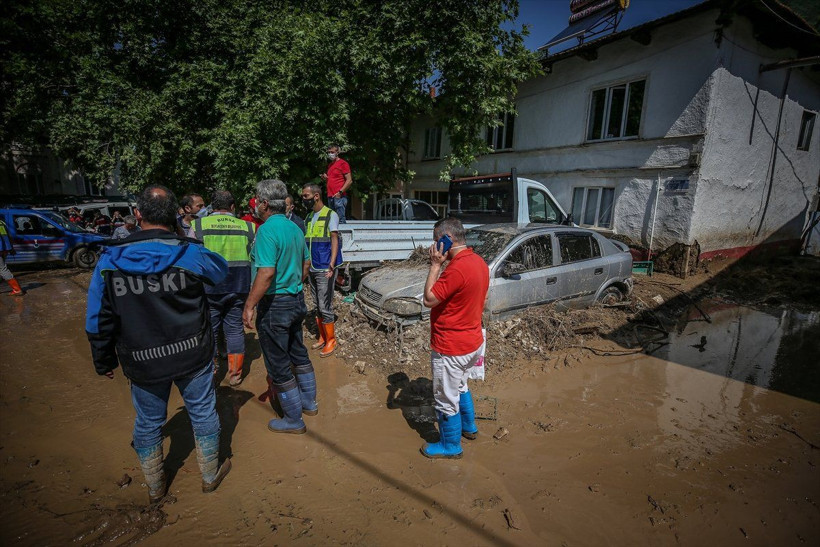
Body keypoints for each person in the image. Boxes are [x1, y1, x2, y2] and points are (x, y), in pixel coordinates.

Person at [85, 185, 231, 503]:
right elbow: (221, 272)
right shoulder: (190, 253)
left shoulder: (110, 258)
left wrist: (103, 359)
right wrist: (183, 235)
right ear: (175, 216)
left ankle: (155, 487)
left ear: (138, 215)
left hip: (141, 357)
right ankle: (209, 476)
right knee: (203, 412)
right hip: (193, 352)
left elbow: (97, 317)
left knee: (149, 421)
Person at [242, 179, 317, 434]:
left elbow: (265, 273)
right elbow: (306, 265)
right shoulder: (295, 227)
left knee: (278, 364)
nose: (254, 205)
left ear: (264, 204)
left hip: (275, 304)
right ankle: (309, 403)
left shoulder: (265, 230)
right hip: (296, 300)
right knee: (299, 353)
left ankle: (293, 420)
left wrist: (250, 305)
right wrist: (293, 283)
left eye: (255, 200)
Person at [420, 217, 489, 459]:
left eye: (435, 242)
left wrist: (435, 265)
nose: (434, 247)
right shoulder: (478, 262)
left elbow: (429, 299)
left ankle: (451, 446)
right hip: (472, 343)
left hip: (451, 347)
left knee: (445, 398)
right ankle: (469, 428)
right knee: (461, 386)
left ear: (445, 240)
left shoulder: (457, 268)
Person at [191, 190, 256, 386]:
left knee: (209, 329)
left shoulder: (198, 225)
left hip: (209, 287)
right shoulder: (248, 227)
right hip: (239, 286)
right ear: (233, 207)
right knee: (235, 329)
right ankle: (235, 374)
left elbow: (192, 258)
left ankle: (210, 372)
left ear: (212, 206)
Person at [301, 183, 342, 357]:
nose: (304, 200)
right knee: (317, 304)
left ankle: (331, 340)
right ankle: (322, 337)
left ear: (316, 196)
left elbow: (334, 240)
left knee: (325, 305)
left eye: (306, 196)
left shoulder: (330, 215)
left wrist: (332, 265)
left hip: (325, 266)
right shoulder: (309, 217)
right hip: (312, 266)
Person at [319, 144, 352, 223]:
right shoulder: (330, 165)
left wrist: (340, 192)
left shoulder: (343, 163)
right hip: (330, 196)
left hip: (339, 196)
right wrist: (326, 178)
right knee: (333, 221)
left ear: (337, 152)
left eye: (332, 152)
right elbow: (333, 180)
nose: (330, 154)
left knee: (340, 221)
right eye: (329, 152)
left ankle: (344, 235)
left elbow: (349, 180)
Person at [0, 219, 24, 296]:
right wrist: (11, 248)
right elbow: (9, 236)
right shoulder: (1, 222)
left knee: (2, 269)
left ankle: (17, 289)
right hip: (5, 249)